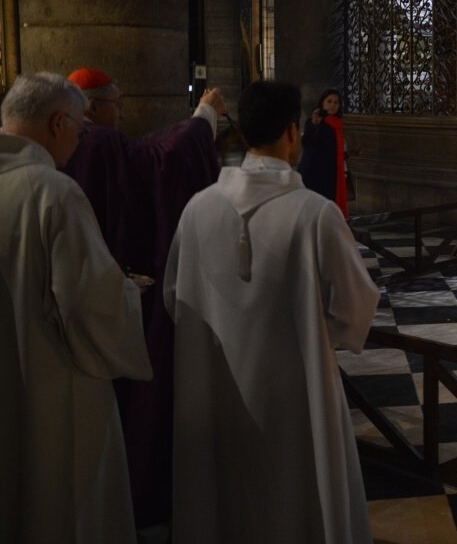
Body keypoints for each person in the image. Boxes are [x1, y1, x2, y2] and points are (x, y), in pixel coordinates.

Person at [164, 80, 380, 544]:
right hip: (295, 399)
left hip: (215, 395)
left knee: (225, 504)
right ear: (291, 133)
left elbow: (174, 297)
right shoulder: (316, 215)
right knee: (298, 503)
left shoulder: (197, 210)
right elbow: (356, 309)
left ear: (242, 134)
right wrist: (307, 328)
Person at [62, 66, 224, 530]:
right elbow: (158, 165)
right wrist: (203, 118)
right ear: (92, 107)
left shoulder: (65, 150)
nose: (122, 113)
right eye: (117, 104)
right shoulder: (96, 142)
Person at [0, 73, 152, 543]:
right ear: (58, 121)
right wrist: (127, 292)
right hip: (52, 384)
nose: (81, 140)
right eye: (80, 129)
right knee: (63, 505)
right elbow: (89, 305)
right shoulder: (53, 192)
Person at [299, 88, 349, 217]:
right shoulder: (314, 121)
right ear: (322, 103)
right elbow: (307, 143)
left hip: (332, 173)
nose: (333, 105)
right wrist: (315, 125)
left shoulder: (338, 124)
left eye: (336, 102)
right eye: (329, 101)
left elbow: (333, 149)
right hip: (315, 172)